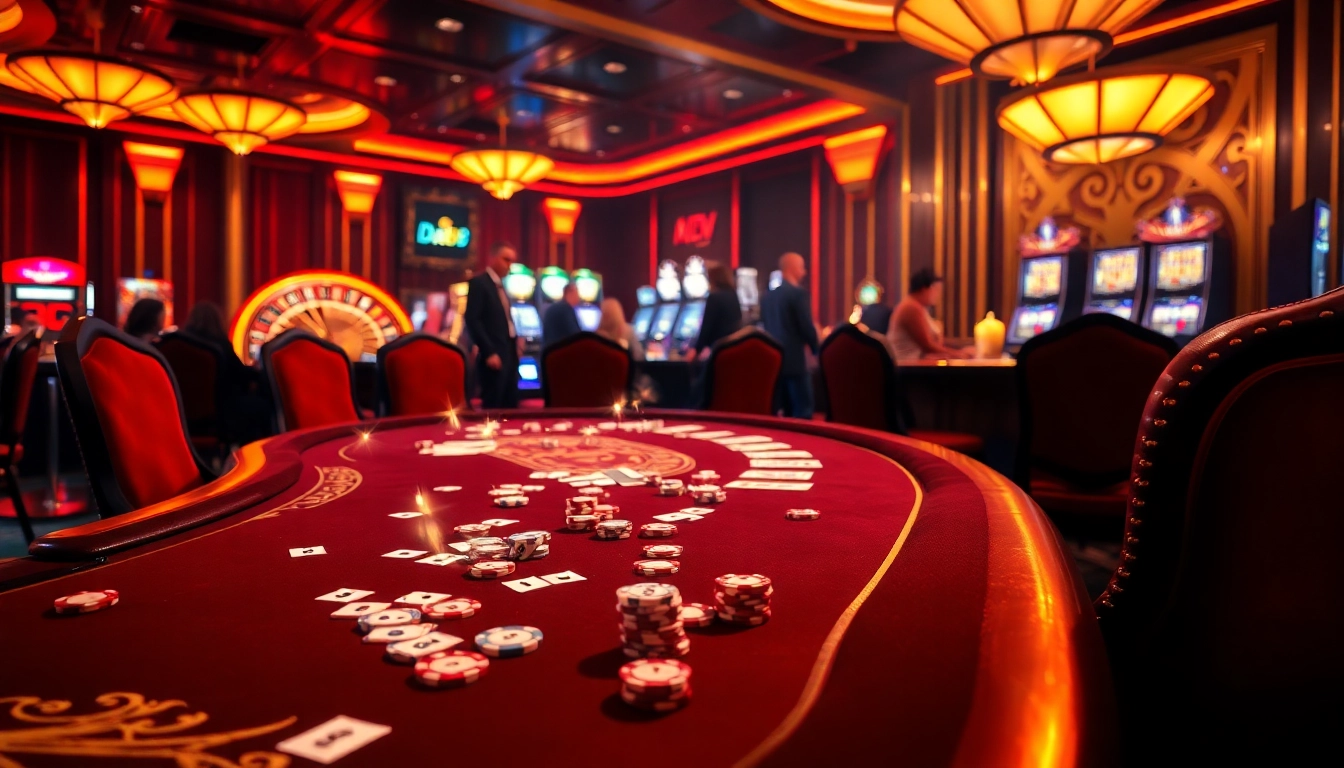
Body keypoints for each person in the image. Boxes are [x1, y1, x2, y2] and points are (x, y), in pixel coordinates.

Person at [760, 252, 819, 419]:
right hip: (796, 361)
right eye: (802, 267)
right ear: (792, 268)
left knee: (782, 414)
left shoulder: (768, 297)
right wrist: (816, 350)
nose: (804, 272)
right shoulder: (797, 294)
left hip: (774, 361)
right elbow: (806, 327)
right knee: (803, 411)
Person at [464, 242, 522, 409]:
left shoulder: (501, 286)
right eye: (506, 260)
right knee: (494, 405)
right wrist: (488, 352)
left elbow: (505, 320)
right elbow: (472, 320)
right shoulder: (479, 283)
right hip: (493, 353)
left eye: (512, 261)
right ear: (493, 258)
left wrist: (516, 341)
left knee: (510, 405)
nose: (509, 265)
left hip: (509, 351)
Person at [887, 269, 971, 360]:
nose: (938, 295)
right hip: (907, 364)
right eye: (936, 290)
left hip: (917, 362)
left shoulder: (918, 307)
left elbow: (934, 343)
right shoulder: (910, 308)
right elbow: (927, 346)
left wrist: (961, 349)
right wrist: (958, 354)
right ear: (925, 289)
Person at [689, 261, 741, 361]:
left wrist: (696, 350)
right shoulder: (733, 295)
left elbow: (706, 328)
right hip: (732, 348)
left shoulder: (714, 297)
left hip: (717, 350)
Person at [542, 282, 582, 349]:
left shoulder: (554, 307)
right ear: (570, 294)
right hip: (559, 352)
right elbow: (575, 335)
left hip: (548, 352)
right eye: (577, 294)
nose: (578, 298)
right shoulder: (565, 310)